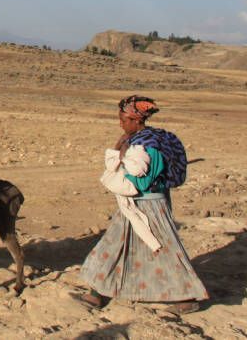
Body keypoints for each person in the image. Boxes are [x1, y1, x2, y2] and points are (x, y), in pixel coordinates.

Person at [77, 95, 208, 315]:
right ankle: (98, 291)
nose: (121, 123)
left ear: (136, 120)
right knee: (114, 245)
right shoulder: (147, 139)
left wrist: (120, 157)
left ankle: (186, 297)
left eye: (123, 119)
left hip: (148, 207)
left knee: (163, 248)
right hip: (139, 205)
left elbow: (142, 181)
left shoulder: (147, 146)